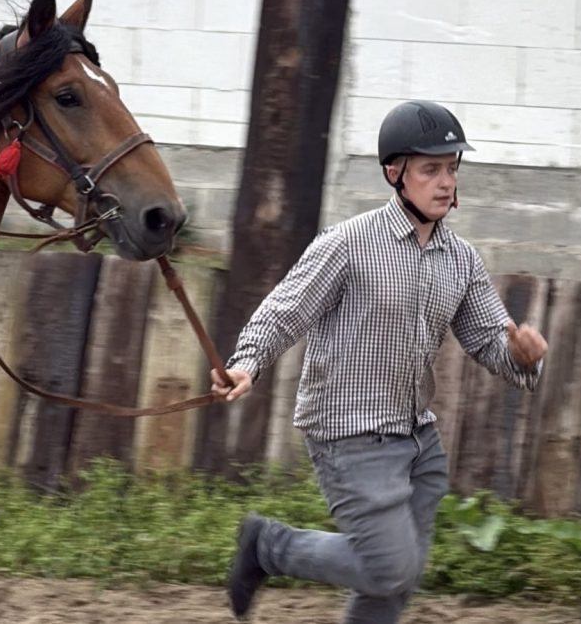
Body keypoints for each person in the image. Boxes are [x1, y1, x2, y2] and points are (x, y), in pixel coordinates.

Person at [213, 100, 549, 624]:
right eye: (431, 169)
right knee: (388, 569)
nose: (445, 182)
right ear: (395, 174)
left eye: (452, 168)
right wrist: (246, 364)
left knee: (397, 580)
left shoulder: (461, 260)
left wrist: (520, 355)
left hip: (419, 443)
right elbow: (286, 310)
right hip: (349, 433)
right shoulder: (350, 243)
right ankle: (268, 547)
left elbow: (489, 339)